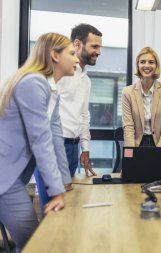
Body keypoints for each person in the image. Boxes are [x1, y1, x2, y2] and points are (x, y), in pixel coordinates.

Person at [0, 33, 79, 252]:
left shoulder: (52, 90)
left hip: (12, 177)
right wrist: (56, 192)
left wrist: (65, 183)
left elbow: (55, 136)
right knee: (37, 244)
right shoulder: (33, 83)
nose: (76, 60)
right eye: (71, 54)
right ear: (54, 55)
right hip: (4, 180)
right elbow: (40, 140)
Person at [58, 23, 102, 177]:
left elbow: (84, 115)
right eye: (94, 46)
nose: (99, 52)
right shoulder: (60, 71)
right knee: (54, 197)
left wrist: (85, 148)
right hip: (56, 144)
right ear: (77, 44)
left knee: (68, 197)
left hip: (73, 146)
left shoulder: (86, 80)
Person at [122, 47, 161, 147]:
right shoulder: (127, 92)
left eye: (151, 62)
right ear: (138, 65)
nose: (146, 65)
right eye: (142, 62)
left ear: (156, 66)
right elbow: (128, 126)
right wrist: (132, 153)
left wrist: (158, 151)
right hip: (137, 144)